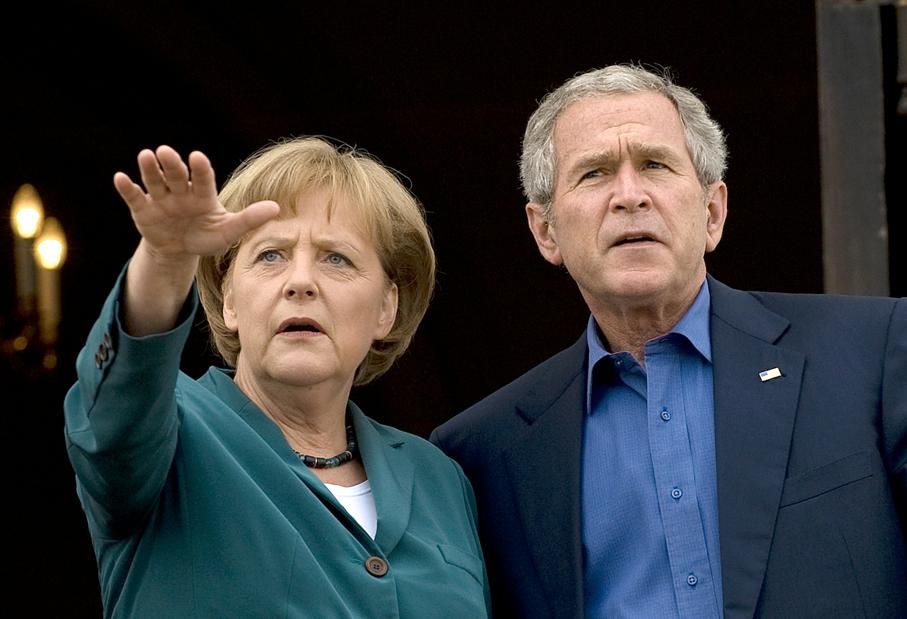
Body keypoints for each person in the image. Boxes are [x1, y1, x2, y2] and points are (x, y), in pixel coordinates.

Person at [431, 64, 907, 618]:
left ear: (713, 212)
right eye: (594, 173)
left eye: (655, 164)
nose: (629, 196)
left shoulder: (871, 353)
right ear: (545, 231)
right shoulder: (483, 452)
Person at [64, 137, 490, 617]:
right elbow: (118, 404)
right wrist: (165, 261)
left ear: (385, 309)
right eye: (271, 255)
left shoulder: (440, 478)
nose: (300, 281)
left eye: (337, 258)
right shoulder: (168, 429)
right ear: (229, 299)